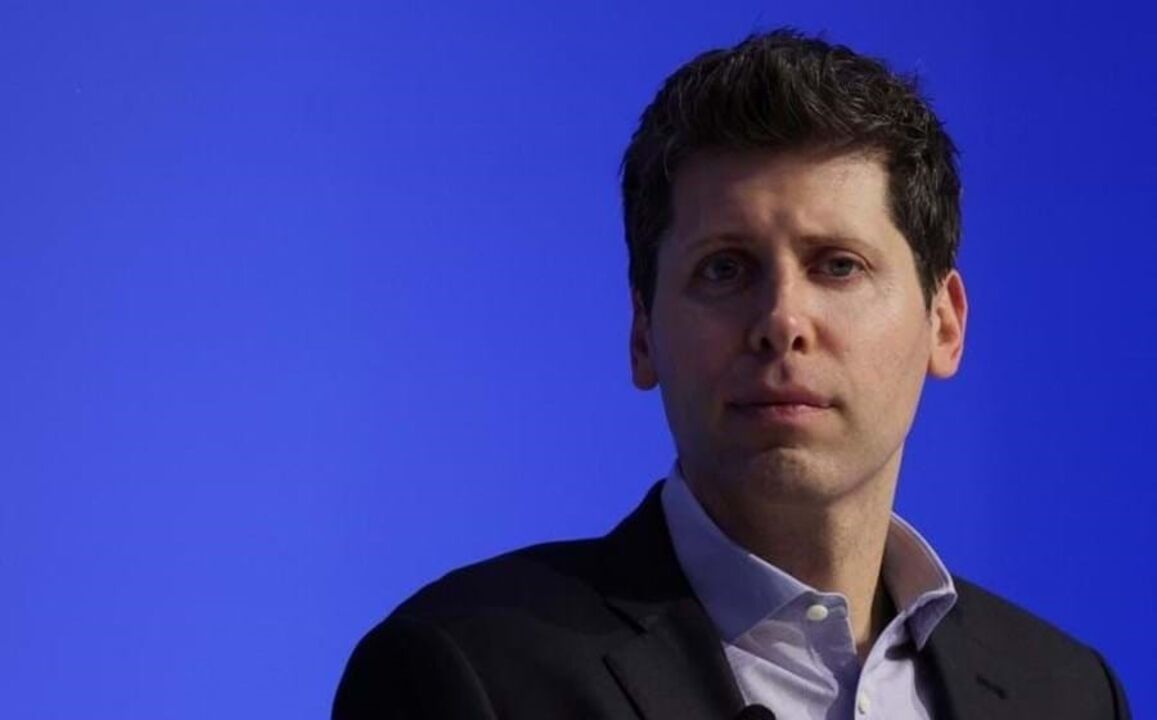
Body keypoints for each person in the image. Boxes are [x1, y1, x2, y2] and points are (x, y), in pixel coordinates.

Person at [332, 29, 1131, 719]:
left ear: (943, 323)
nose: (782, 320)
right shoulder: (466, 669)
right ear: (642, 333)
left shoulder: (1068, 693)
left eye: (838, 265)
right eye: (723, 269)